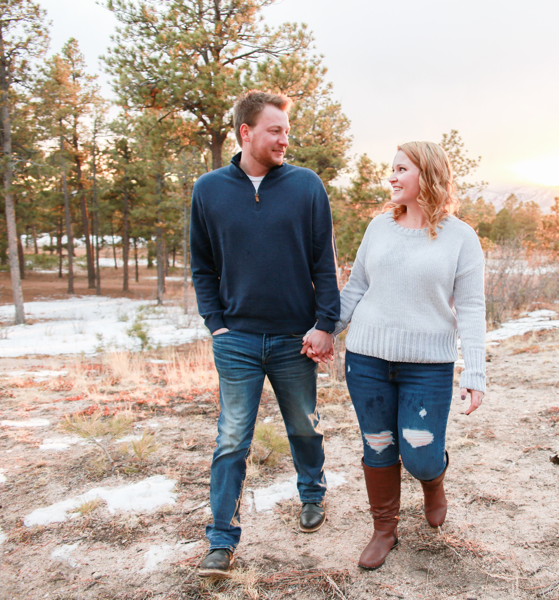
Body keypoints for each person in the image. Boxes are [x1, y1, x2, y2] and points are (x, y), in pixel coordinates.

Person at [303, 141, 486, 570]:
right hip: (367, 360)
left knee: (420, 453)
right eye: (392, 168)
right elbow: (356, 288)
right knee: (379, 446)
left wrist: (474, 370)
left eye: (401, 168)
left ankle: (432, 479)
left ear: (428, 174)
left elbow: (473, 308)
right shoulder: (379, 227)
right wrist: (327, 330)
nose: (392, 176)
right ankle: (385, 529)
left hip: (428, 366)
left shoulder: (461, 237)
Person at [190, 90, 339, 577]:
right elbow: (201, 265)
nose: (284, 139)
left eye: (287, 130)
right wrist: (216, 323)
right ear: (246, 132)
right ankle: (221, 540)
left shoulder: (306, 186)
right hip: (237, 341)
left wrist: (324, 323)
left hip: (296, 338)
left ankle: (312, 494)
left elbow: (324, 261)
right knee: (232, 439)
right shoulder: (208, 189)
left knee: (303, 425)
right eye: (275, 130)